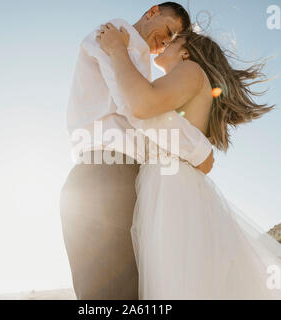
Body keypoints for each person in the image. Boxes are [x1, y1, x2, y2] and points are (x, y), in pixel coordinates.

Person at [96, 21, 281, 299]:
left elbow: (143, 104)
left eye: (173, 40)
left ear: (186, 52)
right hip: (175, 184)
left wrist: (117, 50)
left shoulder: (191, 71)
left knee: (174, 283)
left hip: (170, 187)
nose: (166, 42)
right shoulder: (191, 79)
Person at [61, 2, 213, 300]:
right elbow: (137, 108)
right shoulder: (117, 35)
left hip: (114, 175)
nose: (164, 43)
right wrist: (198, 150)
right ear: (153, 11)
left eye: (172, 40)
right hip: (104, 175)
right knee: (108, 293)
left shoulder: (137, 56)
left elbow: (142, 111)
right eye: (168, 31)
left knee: (119, 292)